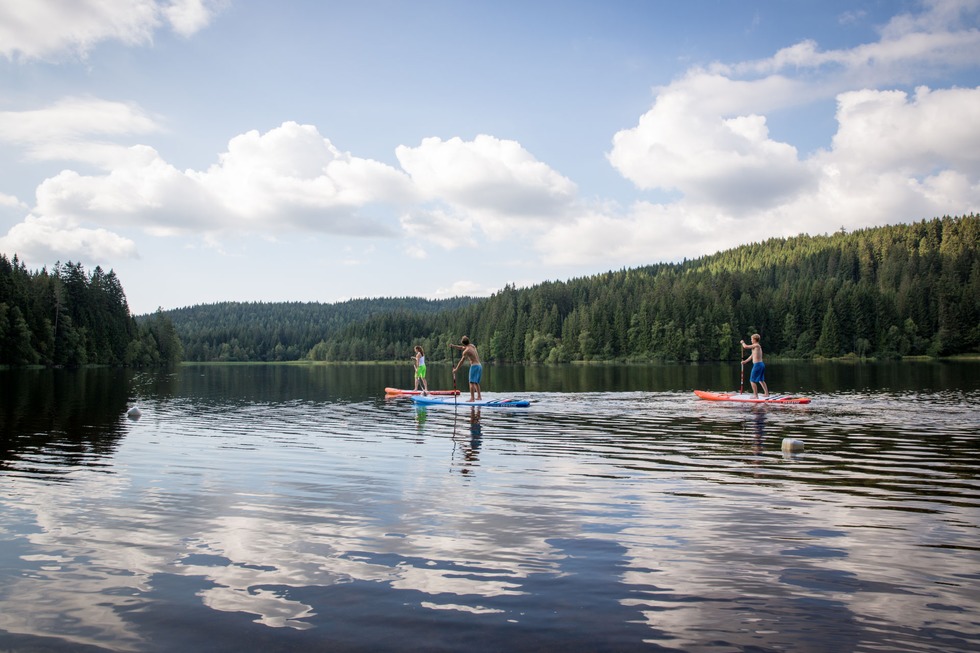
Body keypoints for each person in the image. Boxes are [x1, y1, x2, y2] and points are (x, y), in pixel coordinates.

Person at [451, 336, 482, 401]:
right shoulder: (472, 346)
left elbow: (461, 361)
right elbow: (462, 347)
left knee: (471, 382)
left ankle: (472, 398)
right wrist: (454, 346)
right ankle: (479, 397)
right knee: (476, 382)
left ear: (463, 343)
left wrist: (456, 369)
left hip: (474, 366)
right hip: (479, 366)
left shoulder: (466, 351)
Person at [740, 333, 769, 399]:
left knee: (752, 380)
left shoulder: (756, 345)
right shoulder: (755, 347)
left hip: (758, 365)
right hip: (760, 365)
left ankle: (756, 396)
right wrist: (745, 361)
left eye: (751, 339)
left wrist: (742, 342)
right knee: (761, 380)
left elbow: (745, 347)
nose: (751, 340)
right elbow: (751, 356)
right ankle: (766, 394)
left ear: (755, 339)